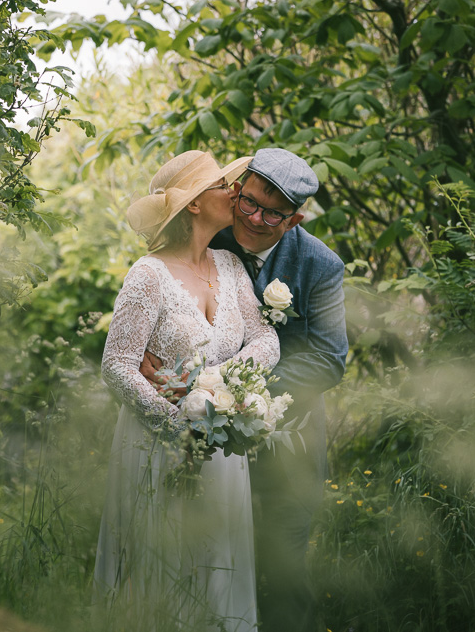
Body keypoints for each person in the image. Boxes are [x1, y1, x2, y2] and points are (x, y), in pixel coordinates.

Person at [142, 147, 348, 632]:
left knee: (283, 563)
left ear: (294, 219)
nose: (254, 219)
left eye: (272, 214)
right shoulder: (210, 240)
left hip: (287, 435)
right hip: (198, 437)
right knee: (205, 555)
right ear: (237, 190)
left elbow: (328, 358)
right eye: (249, 202)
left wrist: (234, 392)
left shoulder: (322, 266)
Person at [93, 150, 280, 632]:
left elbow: (267, 339)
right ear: (194, 204)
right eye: (223, 186)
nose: (234, 192)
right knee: (162, 559)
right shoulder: (147, 275)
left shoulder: (231, 267)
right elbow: (117, 365)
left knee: (216, 562)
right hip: (158, 445)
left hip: (221, 445)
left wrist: (218, 389)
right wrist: (178, 423)